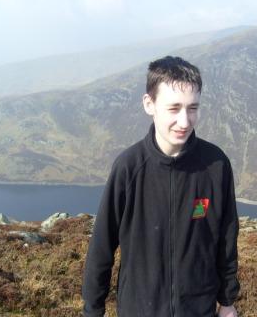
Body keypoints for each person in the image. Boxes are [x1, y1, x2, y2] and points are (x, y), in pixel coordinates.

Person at [82, 56, 240, 317]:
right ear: (149, 104)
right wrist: (92, 311)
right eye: (174, 108)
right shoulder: (129, 168)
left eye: (193, 108)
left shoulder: (216, 165)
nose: (185, 121)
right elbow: (102, 247)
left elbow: (226, 238)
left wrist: (227, 301)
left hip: (198, 310)